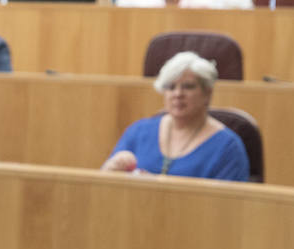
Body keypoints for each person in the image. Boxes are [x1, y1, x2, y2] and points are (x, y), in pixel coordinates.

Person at [100, 51, 249, 181]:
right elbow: (107, 188)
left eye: (188, 86)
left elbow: (228, 209)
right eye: (170, 87)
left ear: (207, 93)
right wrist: (108, 172)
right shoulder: (138, 132)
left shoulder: (228, 148)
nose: (178, 94)